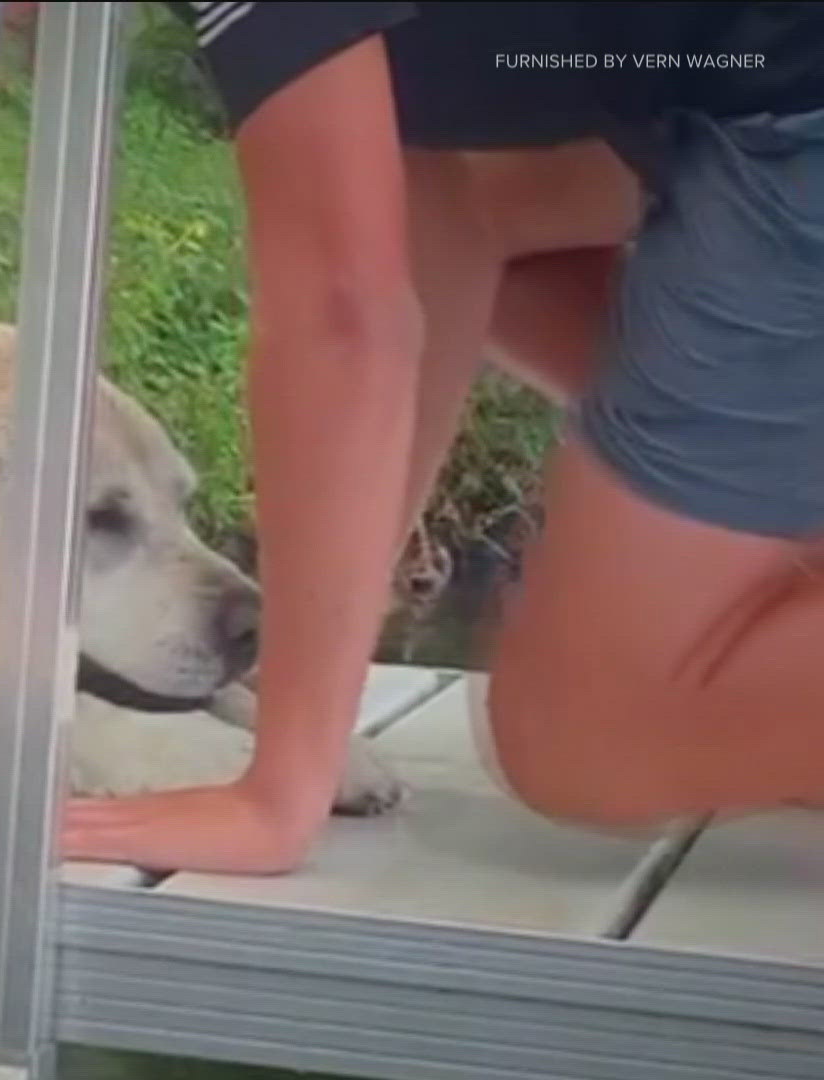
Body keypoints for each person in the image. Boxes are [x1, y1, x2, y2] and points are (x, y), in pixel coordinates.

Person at [49, 1, 824, 874]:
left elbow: (346, 319)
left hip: (783, 103)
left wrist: (279, 796)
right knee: (489, 210)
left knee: (582, 728)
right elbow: (438, 218)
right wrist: (304, 692)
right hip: (728, 90)